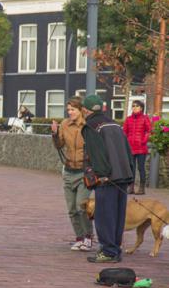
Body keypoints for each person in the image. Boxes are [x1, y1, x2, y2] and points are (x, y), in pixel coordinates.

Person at [81, 94, 134, 263]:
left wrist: (101, 175)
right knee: (118, 216)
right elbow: (128, 150)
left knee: (104, 216)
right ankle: (115, 249)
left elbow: (96, 153)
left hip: (107, 178)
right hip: (123, 175)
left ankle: (108, 251)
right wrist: (130, 174)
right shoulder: (115, 124)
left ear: (85, 110)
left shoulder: (91, 126)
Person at [51, 97, 94, 252]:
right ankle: (79, 238)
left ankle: (88, 237)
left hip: (84, 172)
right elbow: (59, 145)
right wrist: (55, 134)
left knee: (81, 206)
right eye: (68, 110)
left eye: (73, 109)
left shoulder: (88, 125)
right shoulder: (65, 124)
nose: (70, 112)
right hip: (69, 171)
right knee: (71, 209)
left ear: (81, 110)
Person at [122, 100, 152, 195]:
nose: (134, 107)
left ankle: (142, 188)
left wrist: (143, 140)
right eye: (133, 106)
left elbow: (149, 131)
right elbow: (124, 132)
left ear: (141, 108)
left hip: (141, 147)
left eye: (137, 106)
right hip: (130, 147)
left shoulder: (145, 118)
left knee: (141, 167)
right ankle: (131, 187)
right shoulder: (128, 119)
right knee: (131, 168)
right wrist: (126, 142)